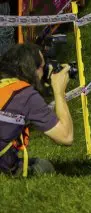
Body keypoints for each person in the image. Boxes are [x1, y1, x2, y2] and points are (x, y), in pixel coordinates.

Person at [0, 43, 74, 176]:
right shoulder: (24, 94)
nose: (44, 71)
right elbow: (66, 137)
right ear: (32, 69)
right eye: (43, 67)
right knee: (44, 166)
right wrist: (59, 92)